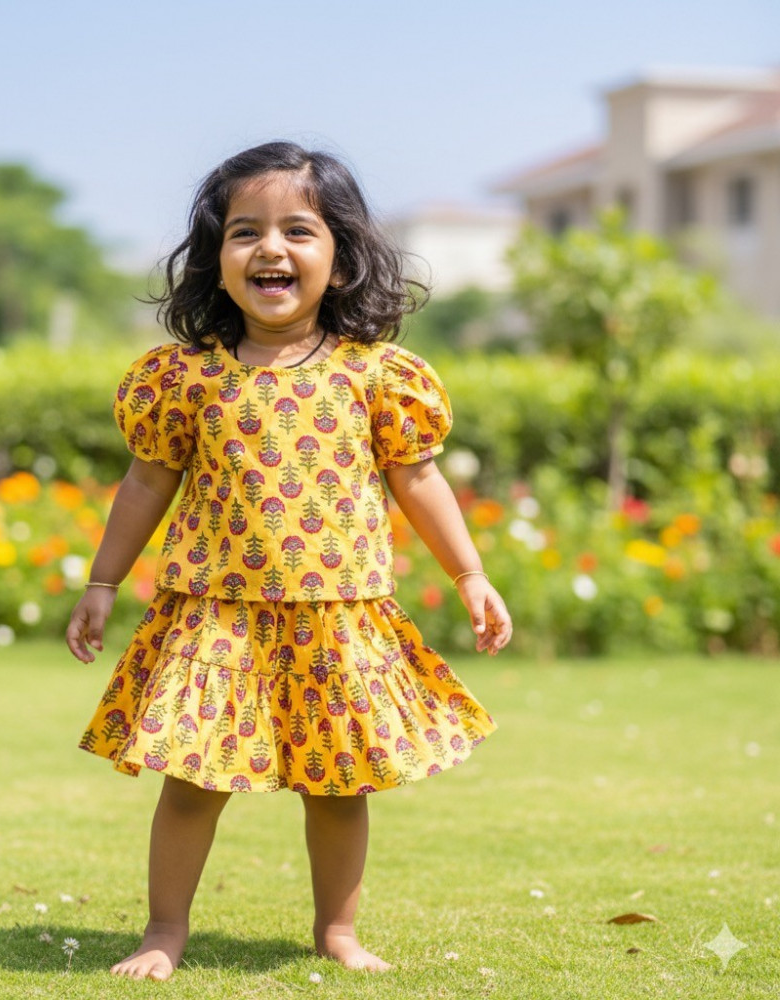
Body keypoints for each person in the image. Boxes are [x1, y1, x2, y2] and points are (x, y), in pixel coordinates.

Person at [66, 141, 512, 981]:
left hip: (338, 613)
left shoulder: (377, 375)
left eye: (298, 230)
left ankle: (337, 931)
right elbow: (144, 482)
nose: (271, 248)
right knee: (192, 782)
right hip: (214, 614)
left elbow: (418, 480)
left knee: (340, 785)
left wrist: (470, 574)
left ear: (339, 257)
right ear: (217, 261)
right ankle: (164, 930)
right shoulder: (185, 378)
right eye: (245, 232)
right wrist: (101, 581)